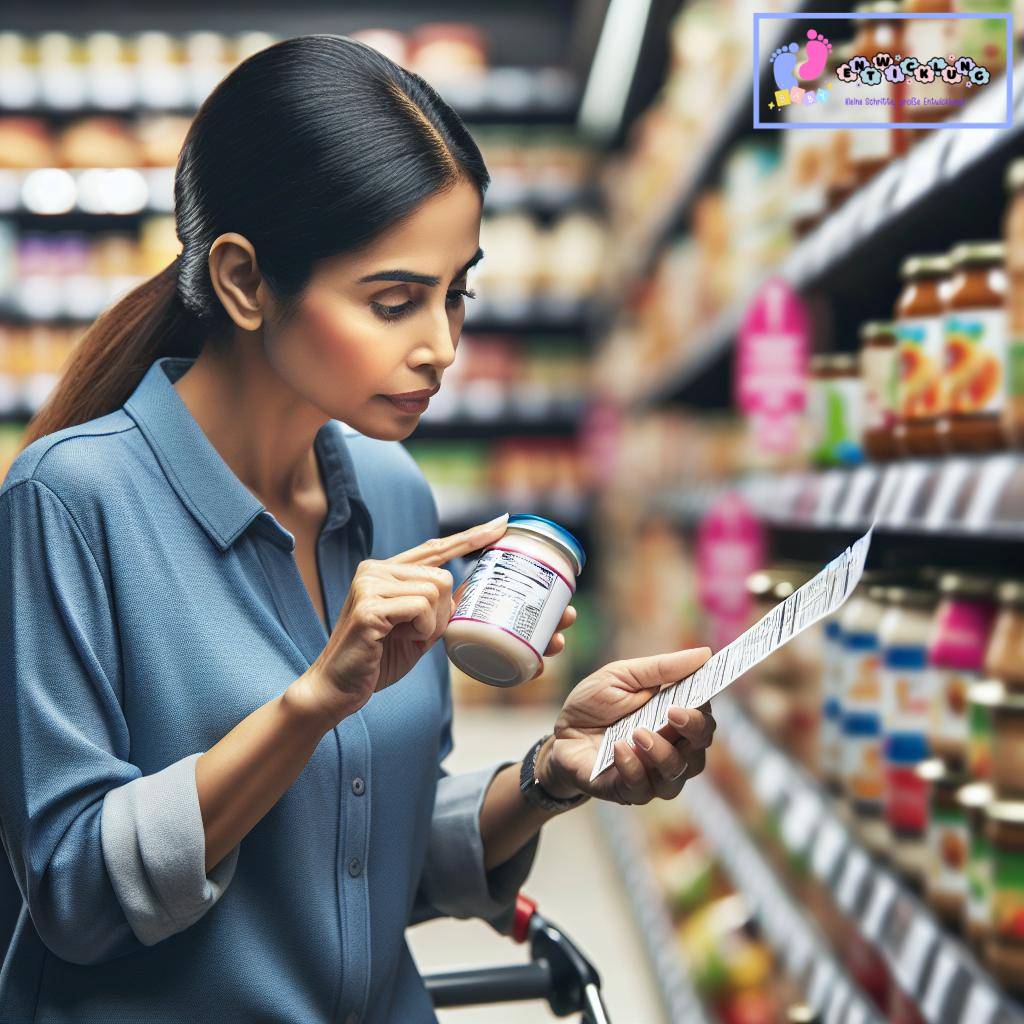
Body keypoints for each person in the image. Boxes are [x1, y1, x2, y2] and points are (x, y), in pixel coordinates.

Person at [0, 33, 715, 1024]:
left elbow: (370, 857)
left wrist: (552, 771)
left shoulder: (390, 492)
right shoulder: (70, 502)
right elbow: (73, 894)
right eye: (393, 301)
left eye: (456, 289)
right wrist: (310, 705)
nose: (443, 346)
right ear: (246, 282)